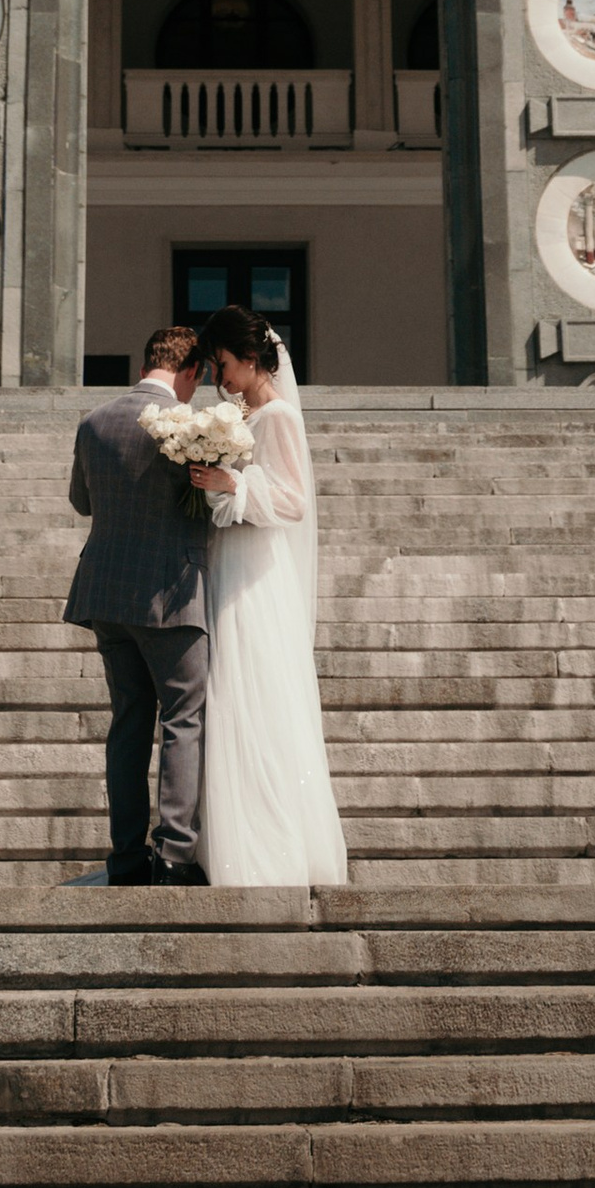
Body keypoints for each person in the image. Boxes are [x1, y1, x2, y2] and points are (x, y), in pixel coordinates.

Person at [186, 304, 348, 887]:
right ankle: (229, 836)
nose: (218, 378)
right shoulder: (236, 414)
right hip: (227, 560)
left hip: (256, 570)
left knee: (251, 687)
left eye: (224, 365)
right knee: (227, 689)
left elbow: (294, 501)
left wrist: (232, 482)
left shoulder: (276, 416)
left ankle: (269, 842)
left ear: (252, 360)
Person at [62, 323, 212, 886]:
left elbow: (81, 501)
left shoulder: (94, 420)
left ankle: (125, 858)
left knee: (128, 722)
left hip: (106, 591)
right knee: (182, 720)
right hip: (171, 592)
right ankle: (174, 854)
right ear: (189, 369)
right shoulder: (190, 425)